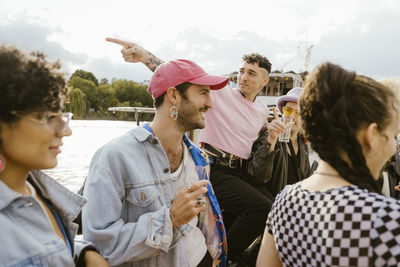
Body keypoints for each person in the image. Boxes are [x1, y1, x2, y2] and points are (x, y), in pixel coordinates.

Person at [106, 37, 273, 265]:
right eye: (242, 71)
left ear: (265, 81)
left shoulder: (263, 111)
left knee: (276, 203)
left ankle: (232, 254)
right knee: (261, 208)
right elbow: (181, 80)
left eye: (251, 73)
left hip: (241, 171)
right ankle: (222, 259)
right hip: (216, 168)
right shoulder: (222, 93)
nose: (243, 77)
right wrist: (144, 56)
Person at [82, 58, 230, 266]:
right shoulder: (114, 157)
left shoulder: (199, 158)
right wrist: (170, 220)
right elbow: (99, 246)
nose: (210, 104)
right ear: (174, 95)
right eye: (204, 93)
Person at [256, 62, 400, 266]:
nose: (394, 147)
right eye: (393, 135)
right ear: (371, 135)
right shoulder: (387, 218)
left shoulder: (285, 201)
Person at [0, 45, 108, 266]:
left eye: (62, 115)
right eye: (48, 116)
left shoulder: (36, 188)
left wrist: (82, 253)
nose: (66, 130)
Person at [247, 87, 311, 196]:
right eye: (288, 110)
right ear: (282, 111)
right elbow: (257, 177)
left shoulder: (302, 143)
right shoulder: (269, 136)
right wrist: (271, 140)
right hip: (275, 205)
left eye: (297, 113)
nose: (291, 116)